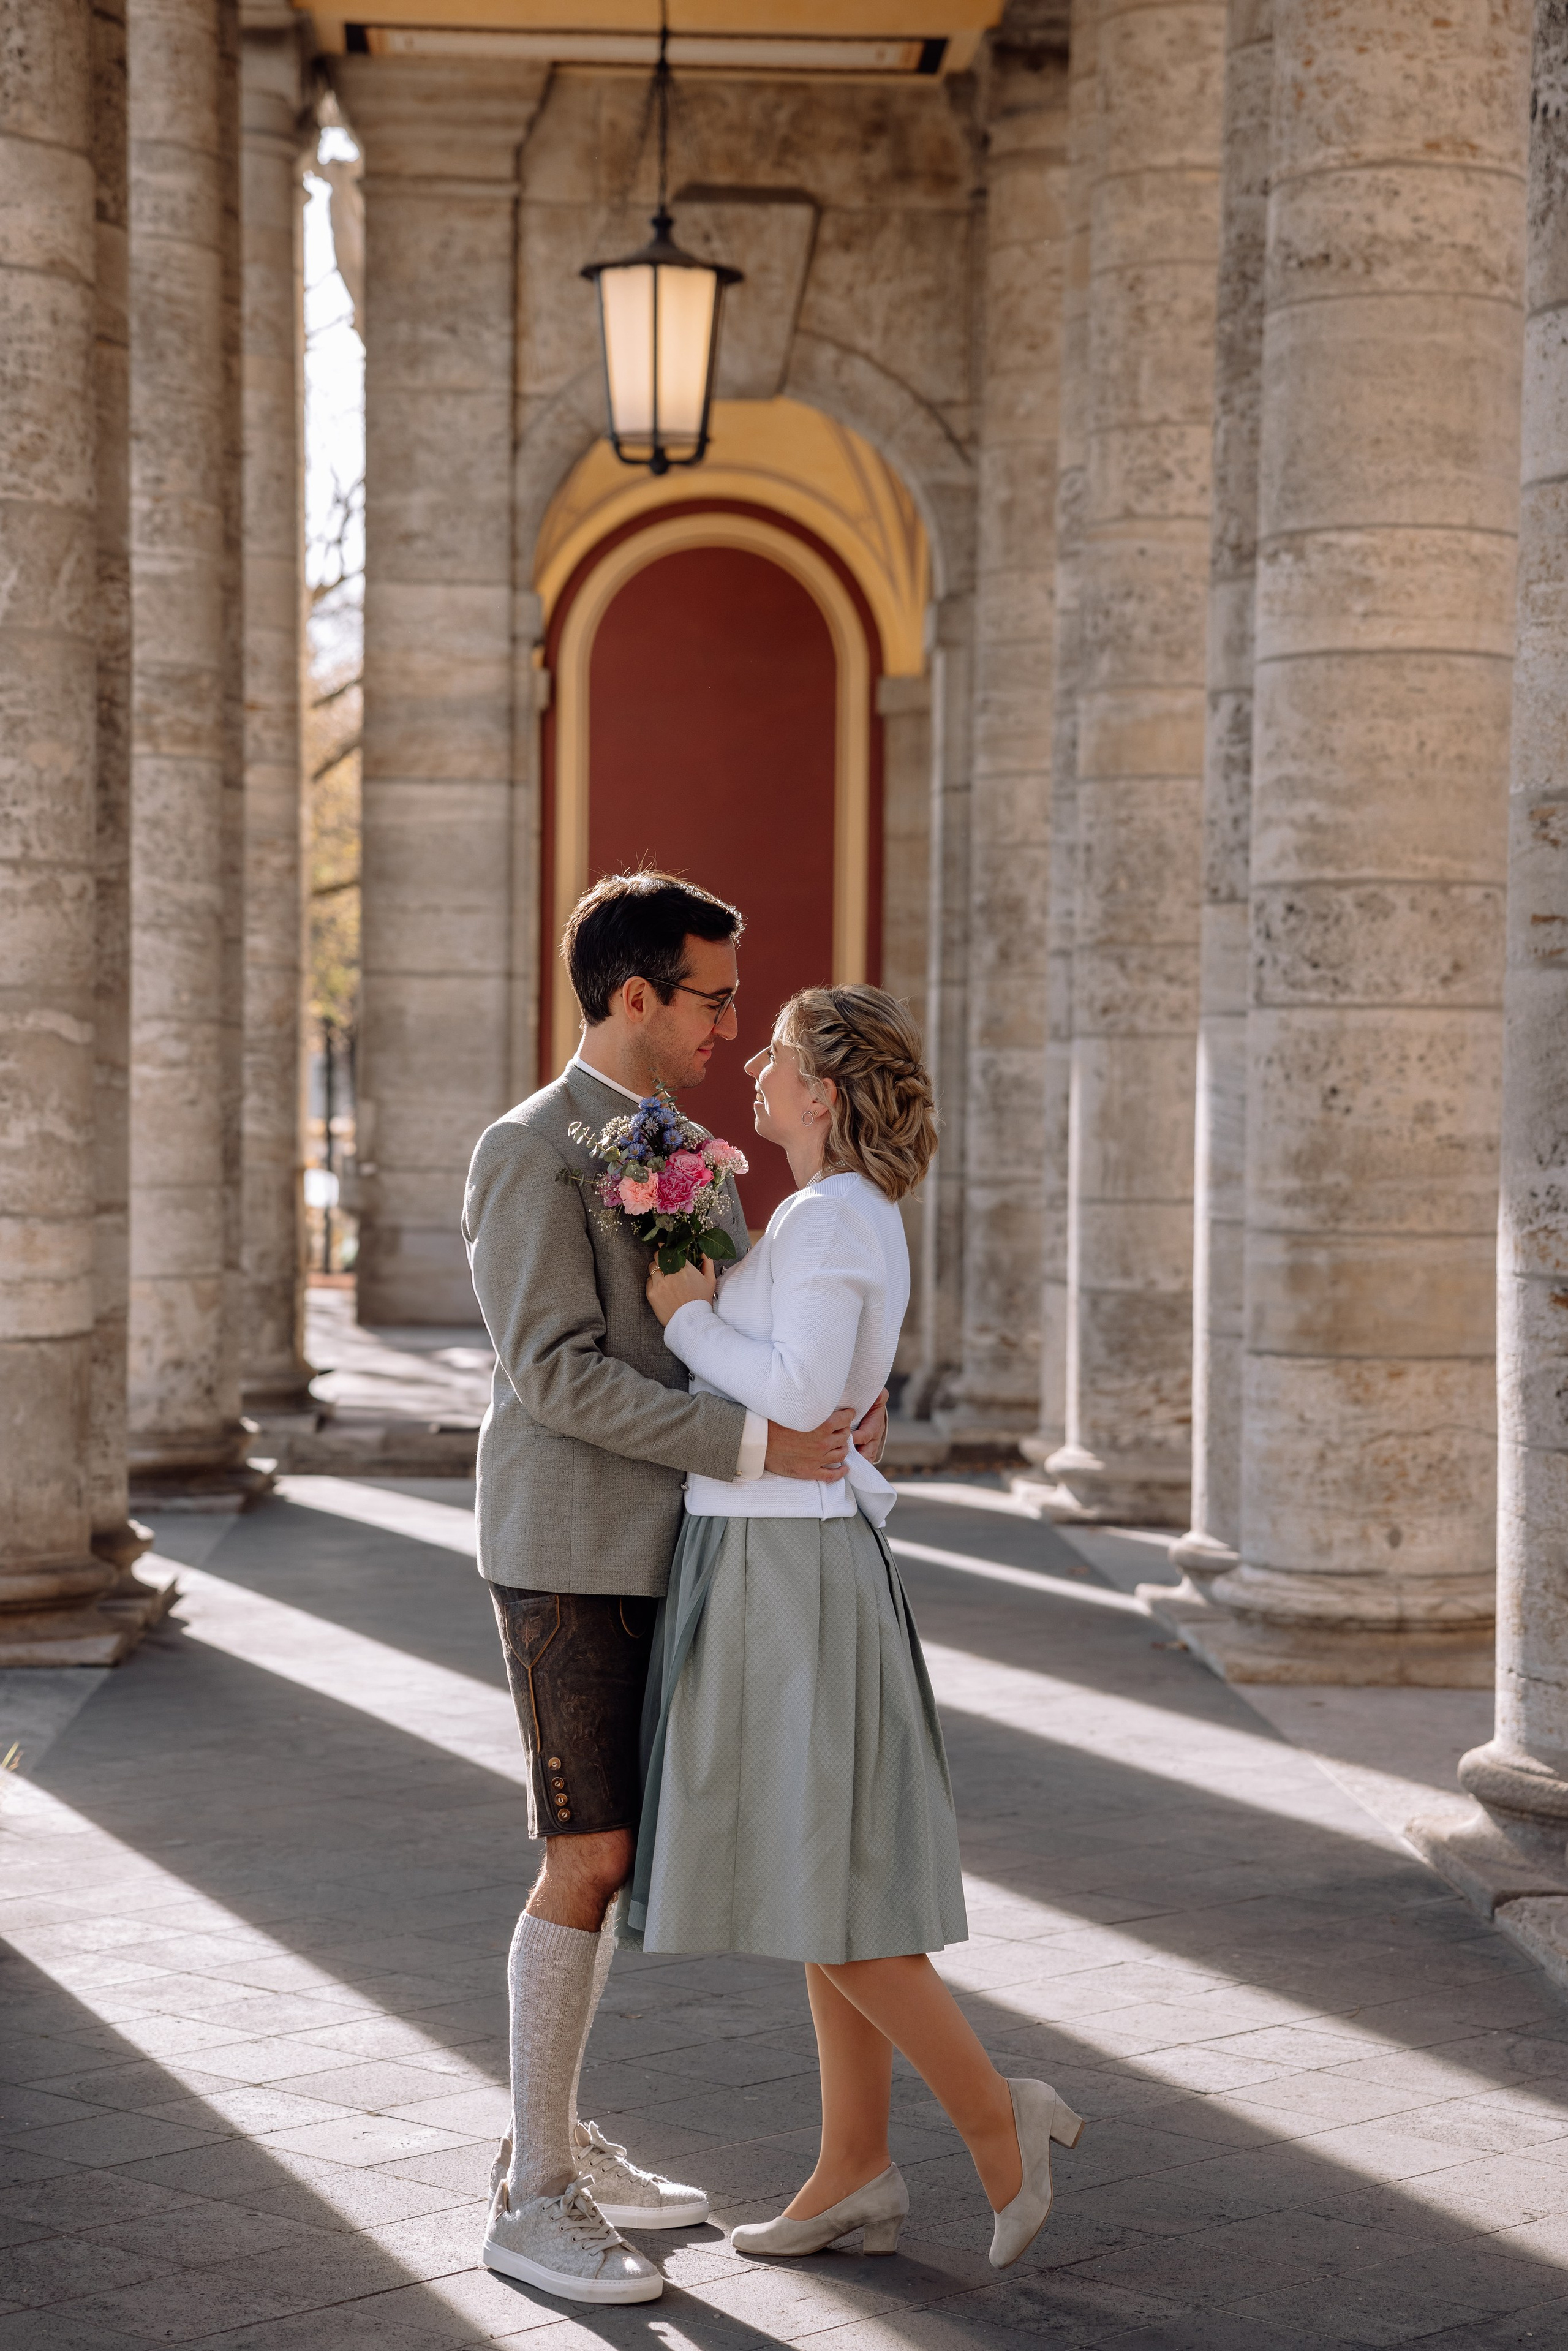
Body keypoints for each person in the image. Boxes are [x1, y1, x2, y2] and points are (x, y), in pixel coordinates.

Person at [464, 872, 889, 2308]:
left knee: (626, 1855)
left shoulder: (686, 1149)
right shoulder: (527, 1152)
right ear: (632, 995)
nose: (729, 1020)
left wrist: (835, 1399)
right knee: (584, 1855)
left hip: (690, 1545)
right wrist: (761, 1436)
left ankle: (556, 2126)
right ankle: (531, 2193)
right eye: (712, 996)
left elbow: (733, 1330)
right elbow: (554, 1373)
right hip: (568, 1546)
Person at [636, 984, 1084, 2271]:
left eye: (774, 1059)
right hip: (778, 1548)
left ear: (823, 1091)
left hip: (789, 1568)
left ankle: (1003, 2122)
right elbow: (830, 1403)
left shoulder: (828, 1215)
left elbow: (792, 1393)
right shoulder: (833, 1214)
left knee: (830, 1897)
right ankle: (853, 2169)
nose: (755, 1077)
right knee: (814, 1884)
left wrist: (683, 1316)